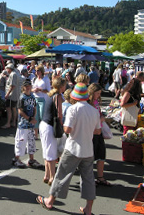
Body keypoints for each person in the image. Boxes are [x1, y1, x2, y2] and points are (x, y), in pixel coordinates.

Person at [36, 83, 101, 215]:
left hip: (73, 147)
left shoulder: (73, 109)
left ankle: (50, 201)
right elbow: (98, 131)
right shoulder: (94, 110)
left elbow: (68, 129)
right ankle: (88, 208)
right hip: (88, 149)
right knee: (88, 179)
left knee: (62, 174)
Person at [39, 77, 66, 186]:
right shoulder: (58, 96)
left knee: (46, 152)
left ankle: (47, 175)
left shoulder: (50, 95)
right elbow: (60, 114)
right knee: (51, 153)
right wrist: (63, 125)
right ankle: (52, 178)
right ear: (61, 86)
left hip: (44, 124)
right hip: (50, 126)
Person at [12, 79, 42, 169]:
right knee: (20, 141)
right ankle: (16, 159)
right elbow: (20, 111)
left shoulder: (32, 96)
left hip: (31, 125)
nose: (28, 87)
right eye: (26, 86)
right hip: (23, 125)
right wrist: (29, 119)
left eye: (29, 86)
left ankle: (31, 159)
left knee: (31, 142)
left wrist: (33, 117)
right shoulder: (22, 97)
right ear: (23, 87)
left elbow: (35, 107)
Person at [88, 83, 111, 186]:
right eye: (97, 93)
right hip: (91, 132)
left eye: (100, 93)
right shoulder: (87, 103)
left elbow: (99, 112)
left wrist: (102, 117)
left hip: (99, 131)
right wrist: (99, 119)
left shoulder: (96, 102)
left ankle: (100, 177)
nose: (99, 95)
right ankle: (89, 178)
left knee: (101, 154)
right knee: (90, 157)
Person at [32, 65, 51, 139]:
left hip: (43, 99)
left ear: (41, 71)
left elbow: (48, 90)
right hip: (35, 98)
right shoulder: (35, 79)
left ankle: (43, 133)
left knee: (42, 116)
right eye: (36, 71)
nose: (36, 72)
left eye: (38, 70)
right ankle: (35, 134)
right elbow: (31, 89)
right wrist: (34, 90)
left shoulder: (46, 79)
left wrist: (40, 90)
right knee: (35, 116)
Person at [1, 63, 20, 129]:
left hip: (11, 95)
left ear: (9, 69)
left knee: (9, 109)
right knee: (14, 109)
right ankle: (13, 122)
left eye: (7, 68)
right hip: (15, 94)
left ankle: (8, 123)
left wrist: (7, 94)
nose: (6, 70)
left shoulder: (13, 74)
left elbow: (12, 86)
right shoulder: (16, 73)